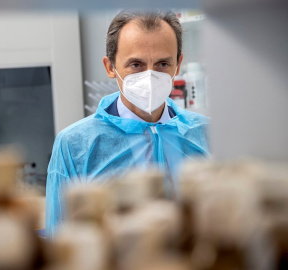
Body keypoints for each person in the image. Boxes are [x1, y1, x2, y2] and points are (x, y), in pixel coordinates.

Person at [45, 10, 209, 236]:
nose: (150, 76)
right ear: (110, 66)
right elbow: (60, 240)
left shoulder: (206, 134)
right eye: (136, 64)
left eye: (162, 64)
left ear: (178, 64)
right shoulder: (75, 145)